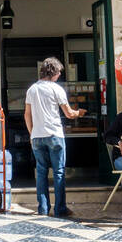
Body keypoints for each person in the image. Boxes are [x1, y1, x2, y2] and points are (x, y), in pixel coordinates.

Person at [24, 56, 84, 218]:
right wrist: (79, 113)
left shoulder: (32, 89)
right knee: (58, 172)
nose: (59, 76)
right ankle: (60, 209)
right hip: (55, 135)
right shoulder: (57, 89)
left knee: (42, 172)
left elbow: (27, 115)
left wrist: (32, 134)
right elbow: (69, 114)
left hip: (37, 136)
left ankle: (43, 208)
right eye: (59, 73)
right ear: (54, 72)